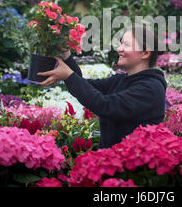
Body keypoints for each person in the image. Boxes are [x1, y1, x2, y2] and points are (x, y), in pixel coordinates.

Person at [37, 25, 167, 149]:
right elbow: (85, 85)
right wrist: (65, 54)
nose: (119, 49)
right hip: (110, 162)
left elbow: (105, 106)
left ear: (145, 53)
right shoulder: (122, 80)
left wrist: (69, 76)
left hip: (132, 168)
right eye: (121, 43)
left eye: (126, 45)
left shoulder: (150, 88)